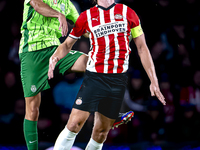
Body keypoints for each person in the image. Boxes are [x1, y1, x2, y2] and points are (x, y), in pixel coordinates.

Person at [48, 0, 166, 149]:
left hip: (118, 80)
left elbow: (142, 48)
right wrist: (55, 57)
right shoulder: (86, 16)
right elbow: (67, 44)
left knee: (101, 132)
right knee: (73, 124)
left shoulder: (128, 13)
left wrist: (153, 80)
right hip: (94, 77)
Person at [19, 0, 133, 149]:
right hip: (32, 54)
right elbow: (37, 5)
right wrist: (58, 14)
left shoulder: (67, 4)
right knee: (32, 109)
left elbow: (85, 28)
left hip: (55, 50)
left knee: (93, 62)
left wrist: (107, 31)